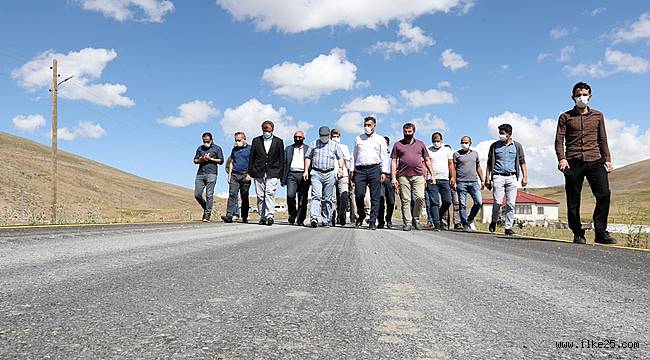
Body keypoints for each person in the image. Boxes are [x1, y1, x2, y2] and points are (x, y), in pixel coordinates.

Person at [554, 82, 616, 244]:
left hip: (595, 159)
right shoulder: (565, 117)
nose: (582, 97)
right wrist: (562, 158)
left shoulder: (598, 116)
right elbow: (559, 139)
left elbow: (602, 138)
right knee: (573, 199)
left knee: (604, 194)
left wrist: (607, 159)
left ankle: (601, 232)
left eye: (584, 94)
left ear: (590, 96)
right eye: (578, 95)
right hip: (572, 161)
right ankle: (577, 233)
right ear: (573, 97)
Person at [485, 124, 528, 236]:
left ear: (509, 134)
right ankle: (494, 221)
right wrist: (487, 178)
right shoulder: (494, 146)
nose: (501, 135)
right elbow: (489, 163)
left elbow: (522, 162)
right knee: (498, 202)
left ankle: (508, 227)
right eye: (500, 133)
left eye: (503, 133)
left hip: (512, 177)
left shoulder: (517, 146)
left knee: (510, 203)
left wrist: (525, 176)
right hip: (498, 176)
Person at [390, 123, 434, 231]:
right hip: (403, 176)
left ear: (414, 132)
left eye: (409, 132)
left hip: (418, 175)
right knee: (406, 200)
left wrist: (432, 174)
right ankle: (408, 222)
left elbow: (427, 159)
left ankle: (416, 218)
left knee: (420, 198)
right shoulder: (397, 145)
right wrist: (393, 177)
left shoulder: (420, 144)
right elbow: (394, 161)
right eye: (405, 132)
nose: (407, 133)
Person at [351, 116, 388, 230]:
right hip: (360, 170)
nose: (367, 127)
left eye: (369, 125)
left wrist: (384, 171)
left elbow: (384, 156)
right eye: (365, 125)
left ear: (374, 125)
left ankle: (372, 220)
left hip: (374, 169)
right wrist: (352, 170)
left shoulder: (380, 139)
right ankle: (361, 214)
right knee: (359, 194)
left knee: (375, 196)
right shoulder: (358, 139)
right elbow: (354, 155)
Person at [304, 126, 344, 228]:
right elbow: (308, 157)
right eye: (322, 136)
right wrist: (305, 171)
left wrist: (340, 168)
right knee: (316, 195)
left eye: (325, 136)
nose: (323, 137)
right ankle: (314, 218)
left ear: (329, 135)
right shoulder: (314, 144)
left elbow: (340, 158)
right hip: (316, 173)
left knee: (327, 198)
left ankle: (326, 219)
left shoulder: (334, 145)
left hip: (329, 174)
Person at [248, 120, 285, 226]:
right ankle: (262, 216)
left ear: (272, 129)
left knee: (269, 193)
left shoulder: (278, 141)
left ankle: (270, 215)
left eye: (267, 129)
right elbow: (252, 157)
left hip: (273, 172)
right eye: (264, 129)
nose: (266, 131)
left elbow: (281, 158)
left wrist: (280, 172)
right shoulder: (256, 140)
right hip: (258, 172)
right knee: (260, 195)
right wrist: (251, 171)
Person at [425, 132, 456, 231]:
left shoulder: (447, 150)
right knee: (434, 202)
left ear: (442, 140)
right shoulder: (428, 150)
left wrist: (453, 177)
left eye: (438, 141)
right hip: (432, 179)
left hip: (444, 179)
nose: (436, 143)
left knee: (447, 201)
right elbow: (424, 164)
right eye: (434, 141)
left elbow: (451, 164)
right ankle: (437, 223)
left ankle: (438, 215)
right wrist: (425, 178)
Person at [453, 136, 484, 232]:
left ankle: (470, 218)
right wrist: (453, 180)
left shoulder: (475, 154)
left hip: (474, 182)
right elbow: (453, 168)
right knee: (462, 204)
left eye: (466, 142)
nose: (464, 144)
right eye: (462, 142)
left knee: (479, 202)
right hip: (461, 182)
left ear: (470, 143)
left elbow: (478, 167)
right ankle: (465, 224)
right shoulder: (456, 154)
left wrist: (482, 180)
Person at [193, 132, 224, 222]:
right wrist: (202, 159)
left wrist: (210, 159)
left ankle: (207, 214)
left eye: (207, 141)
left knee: (209, 194)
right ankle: (206, 207)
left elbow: (221, 161)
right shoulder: (200, 148)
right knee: (197, 194)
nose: (206, 142)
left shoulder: (217, 148)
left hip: (212, 173)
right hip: (200, 174)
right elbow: (195, 160)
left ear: (211, 140)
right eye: (204, 141)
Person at [222, 132, 251, 223]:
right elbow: (231, 162)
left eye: (239, 140)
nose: (237, 142)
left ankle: (244, 216)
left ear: (244, 139)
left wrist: (250, 174)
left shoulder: (250, 149)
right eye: (236, 140)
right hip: (234, 175)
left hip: (245, 175)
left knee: (244, 196)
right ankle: (229, 215)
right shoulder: (234, 149)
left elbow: (253, 162)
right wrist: (229, 175)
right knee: (232, 195)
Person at [282, 131, 311, 226]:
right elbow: (285, 163)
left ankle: (300, 219)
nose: (298, 139)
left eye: (300, 137)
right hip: (292, 175)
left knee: (303, 199)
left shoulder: (308, 149)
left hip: (304, 175)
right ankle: (292, 215)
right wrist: (283, 178)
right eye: (296, 137)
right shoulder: (288, 148)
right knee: (290, 196)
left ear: (303, 138)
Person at [330, 129, 353, 226]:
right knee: (332, 198)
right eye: (334, 136)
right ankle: (332, 216)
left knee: (344, 195)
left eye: (337, 136)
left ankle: (342, 214)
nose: (336, 138)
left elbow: (348, 162)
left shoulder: (344, 147)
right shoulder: (327, 147)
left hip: (343, 175)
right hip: (330, 174)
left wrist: (350, 174)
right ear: (330, 137)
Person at [378, 136, 395, 229]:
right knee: (380, 200)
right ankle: (381, 221)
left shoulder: (392, 153)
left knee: (391, 201)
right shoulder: (376, 153)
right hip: (379, 179)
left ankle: (389, 219)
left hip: (390, 178)